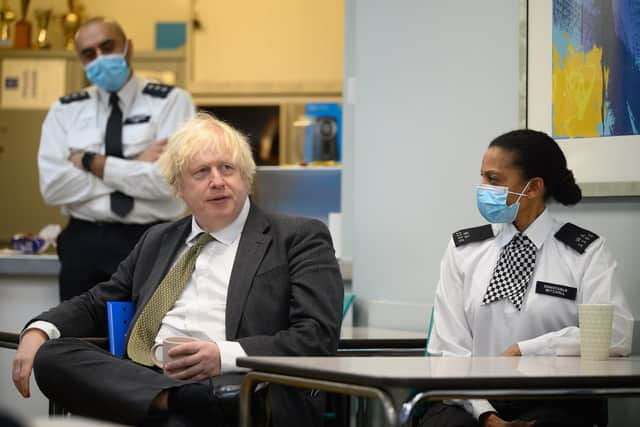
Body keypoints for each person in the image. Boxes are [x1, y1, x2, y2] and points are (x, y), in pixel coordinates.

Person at [13, 113, 344, 427]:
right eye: (201, 172)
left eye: (227, 168)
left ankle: (175, 403)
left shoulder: (297, 236)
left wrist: (224, 356)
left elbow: (317, 336)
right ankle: (179, 400)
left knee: (183, 417)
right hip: (160, 379)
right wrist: (41, 329)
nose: (217, 181)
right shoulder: (158, 240)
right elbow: (97, 302)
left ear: (245, 176)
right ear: (178, 188)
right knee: (54, 356)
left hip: (243, 385)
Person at [421, 129, 634, 427]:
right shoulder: (464, 250)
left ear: (533, 187)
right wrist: (486, 415)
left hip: (555, 399)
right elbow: (448, 349)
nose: (482, 188)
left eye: (493, 180)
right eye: (482, 177)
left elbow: (616, 335)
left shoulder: (585, 251)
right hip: (471, 397)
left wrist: (530, 348)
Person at [38, 17, 195, 301]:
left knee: (145, 338)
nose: (99, 58)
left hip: (153, 239)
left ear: (128, 48)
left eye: (107, 46)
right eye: (88, 53)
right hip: (84, 241)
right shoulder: (64, 110)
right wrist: (134, 162)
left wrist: (92, 162)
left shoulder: (171, 101)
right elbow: (53, 187)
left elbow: (167, 182)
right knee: (78, 337)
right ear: (81, 61)